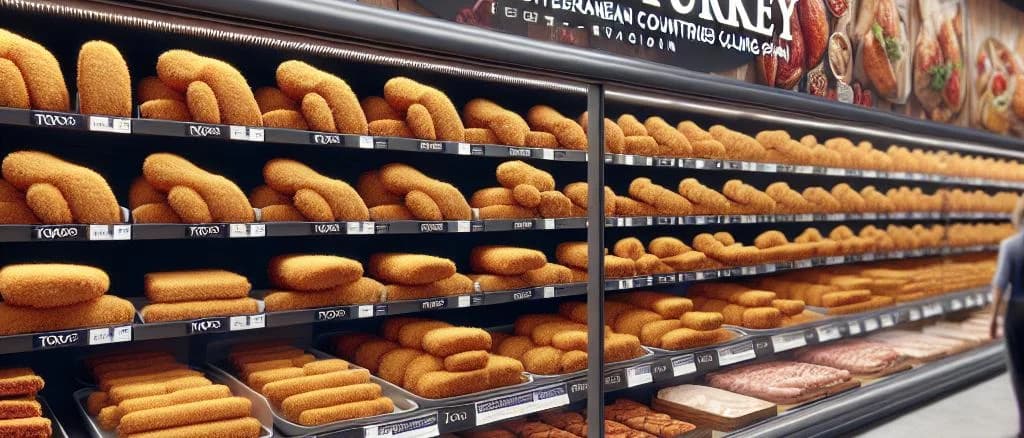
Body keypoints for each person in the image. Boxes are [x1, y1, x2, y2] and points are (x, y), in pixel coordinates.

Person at [992, 195, 1024, 432]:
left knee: (1019, 370)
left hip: (1018, 312)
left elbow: (1000, 284)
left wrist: (993, 318)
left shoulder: (1010, 246)